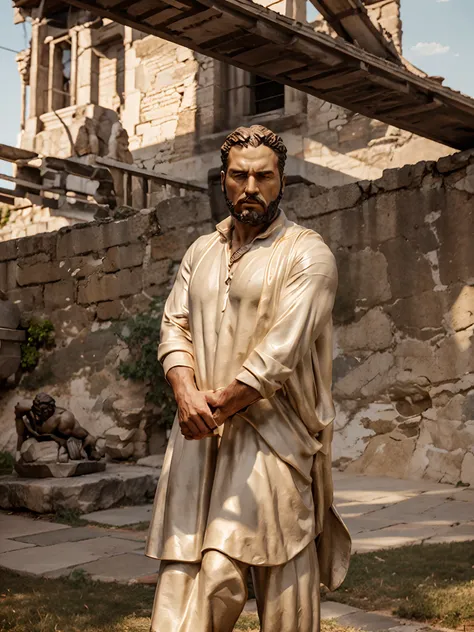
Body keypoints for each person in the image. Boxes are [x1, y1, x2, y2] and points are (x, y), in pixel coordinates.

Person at [146, 125, 351, 632]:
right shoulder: (201, 251)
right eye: (239, 176)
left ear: (283, 180)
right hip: (199, 434)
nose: (251, 187)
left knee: (236, 573)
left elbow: (278, 356)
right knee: (182, 571)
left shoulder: (308, 254)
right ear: (223, 180)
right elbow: (174, 326)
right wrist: (184, 390)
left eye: (264, 175)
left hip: (273, 434)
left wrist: (211, 405)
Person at [15, 392, 100, 461]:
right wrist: (18, 452)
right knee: (26, 447)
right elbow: (19, 411)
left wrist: (88, 449)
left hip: (58, 443)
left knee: (62, 454)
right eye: (38, 412)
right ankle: (19, 454)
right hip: (40, 438)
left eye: (44, 411)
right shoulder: (32, 411)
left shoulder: (64, 419)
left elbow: (87, 437)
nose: (40, 415)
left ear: (51, 408)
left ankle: (91, 450)